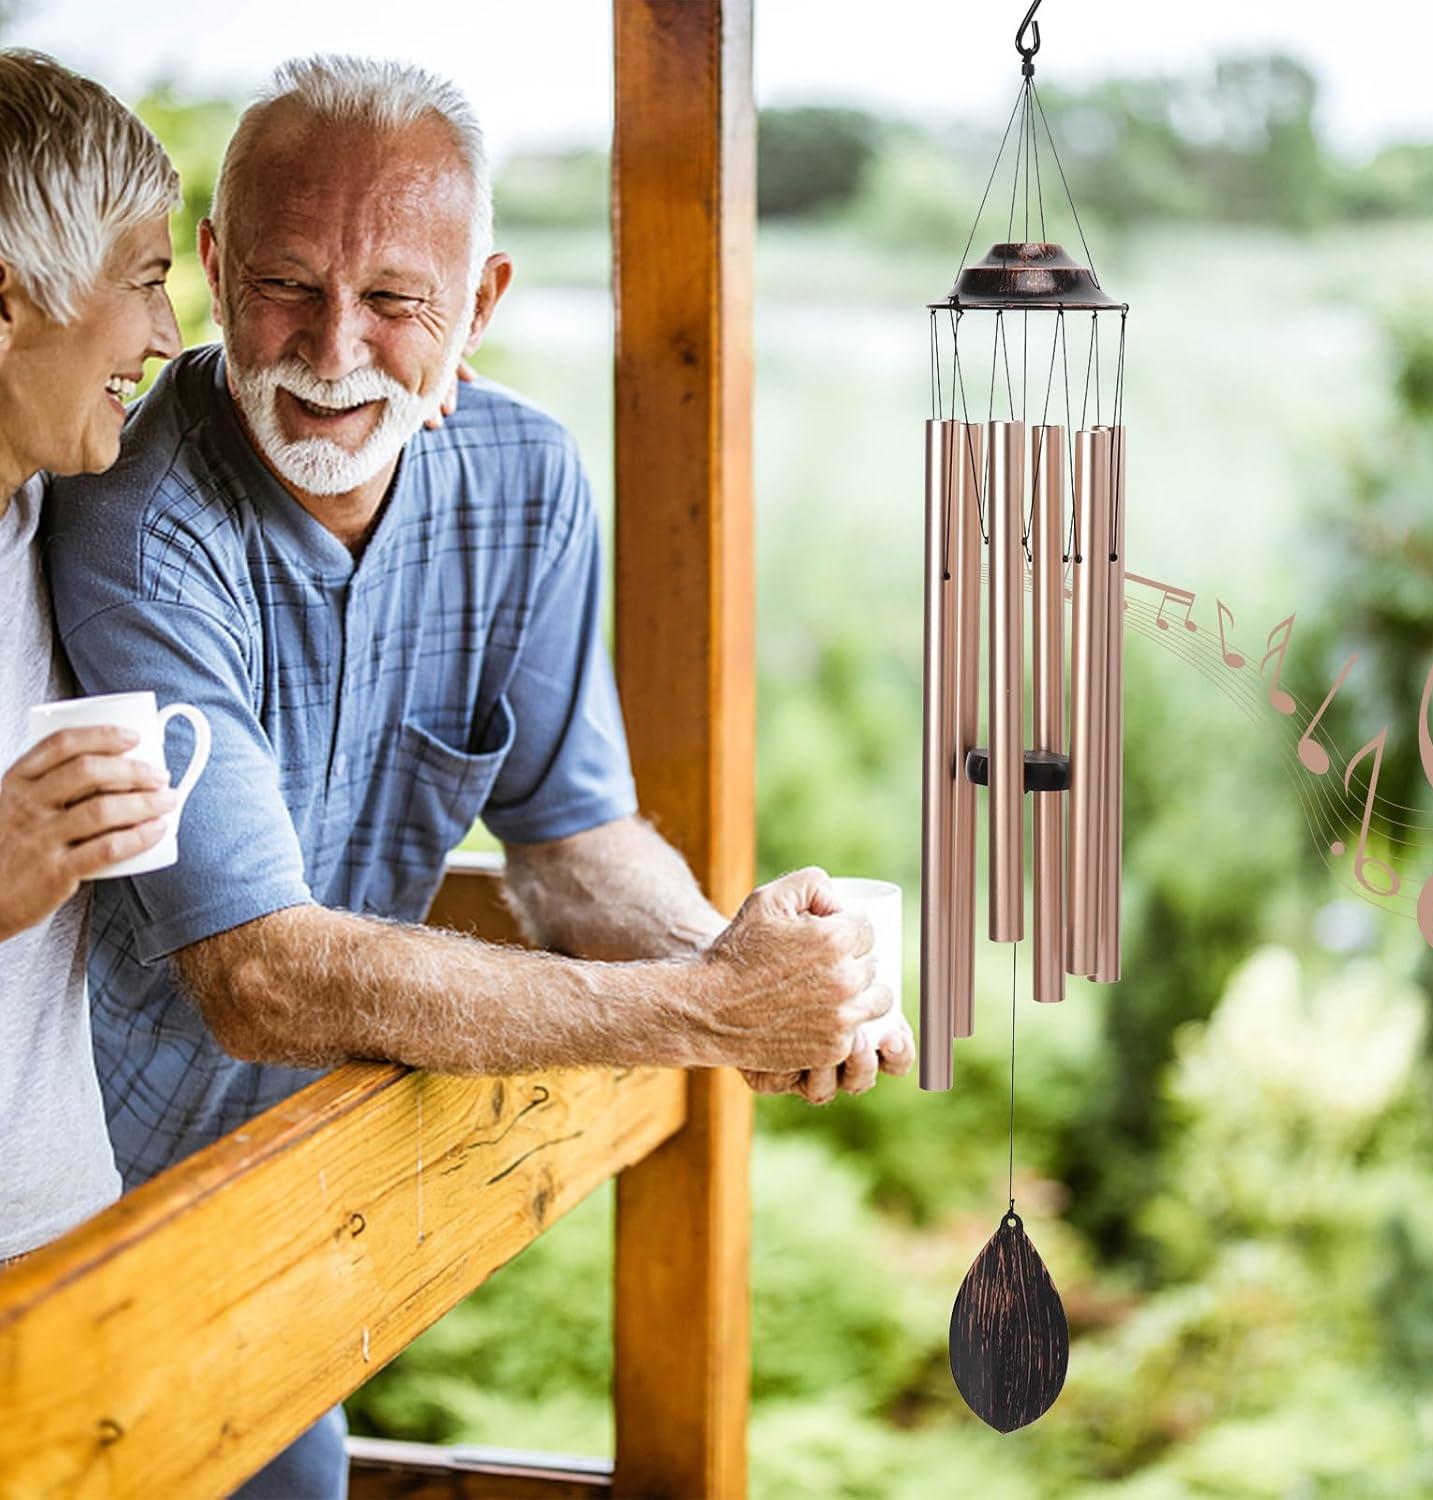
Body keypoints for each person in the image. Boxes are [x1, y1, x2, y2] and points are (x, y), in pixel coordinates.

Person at [47, 54, 913, 1496]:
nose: (331, 349)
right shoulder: (142, 514)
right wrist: (706, 1008)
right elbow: (257, 974)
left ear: (484, 305)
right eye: (282, 284)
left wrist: (760, 976)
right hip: (97, 1229)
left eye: (395, 302)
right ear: (207, 263)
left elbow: (575, 844)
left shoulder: (530, 478)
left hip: (304, 1210)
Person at [0, 50, 183, 1265]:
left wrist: (410, 372)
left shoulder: (40, 511)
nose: (168, 332)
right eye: (146, 280)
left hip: (61, 1247)